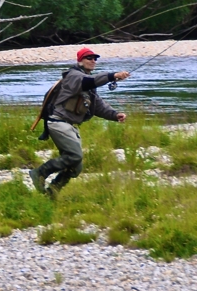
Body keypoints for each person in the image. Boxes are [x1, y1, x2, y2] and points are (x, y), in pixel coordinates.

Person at [29, 47, 130, 196]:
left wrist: (115, 115)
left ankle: (52, 193)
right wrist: (113, 75)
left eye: (95, 58)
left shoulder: (87, 83)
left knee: (76, 167)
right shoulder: (74, 76)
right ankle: (39, 173)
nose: (93, 60)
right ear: (80, 61)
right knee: (75, 156)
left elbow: (98, 106)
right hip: (58, 122)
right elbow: (92, 81)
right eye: (89, 58)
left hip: (68, 125)